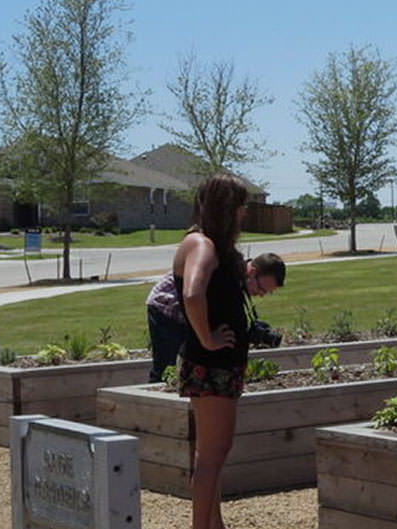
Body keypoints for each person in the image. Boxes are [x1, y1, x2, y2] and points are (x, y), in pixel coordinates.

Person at [173, 174, 251, 529]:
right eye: (240, 207)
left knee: (212, 456)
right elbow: (192, 294)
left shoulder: (208, 245)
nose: (243, 214)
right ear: (226, 209)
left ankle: (213, 523)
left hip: (219, 366)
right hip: (212, 366)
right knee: (211, 457)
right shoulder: (201, 245)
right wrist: (207, 338)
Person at [146, 253, 286, 382]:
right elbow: (198, 302)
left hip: (190, 309)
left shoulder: (238, 278)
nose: (261, 294)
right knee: (166, 367)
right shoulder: (227, 274)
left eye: (267, 292)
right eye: (261, 289)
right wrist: (209, 337)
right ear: (252, 272)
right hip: (166, 305)